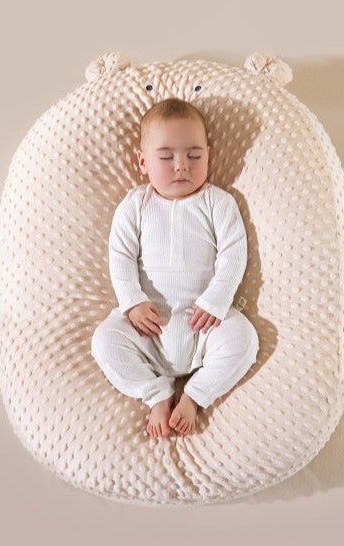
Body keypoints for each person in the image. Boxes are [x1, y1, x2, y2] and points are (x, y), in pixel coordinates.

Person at [91, 98, 259, 437]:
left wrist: (217, 299)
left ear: (208, 156)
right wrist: (133, 302)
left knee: (244, 339)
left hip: (204, 323)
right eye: (166, 157)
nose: (181, 165)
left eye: (194, 156)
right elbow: (120, 256)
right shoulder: (135, 205)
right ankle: (157, 394)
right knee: (104, 341)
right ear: (143, 161)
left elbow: (233, 254)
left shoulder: (218, 202)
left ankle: (195, 396)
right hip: (147, 328)